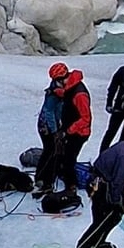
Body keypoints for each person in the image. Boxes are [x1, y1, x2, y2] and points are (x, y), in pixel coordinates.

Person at [53, 63, 92, 194]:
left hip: (79, 133)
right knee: (65, 156)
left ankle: (71, 186)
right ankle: (65, 176)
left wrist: (68, 131)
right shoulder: (71, 86)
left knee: (69, 159)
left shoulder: (80, 94)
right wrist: (58, 92)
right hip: (72, 130)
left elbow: (85, 118)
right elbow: (67, 93)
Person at [32, 66, 65, 196]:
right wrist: (55, 131)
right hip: (47, 127)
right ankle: (43, 180)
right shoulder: (54, 94)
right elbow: (49, 113)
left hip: (48, 125)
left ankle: (43, 178)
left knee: (50, 151)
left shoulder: (57, 90)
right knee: (50, 151)